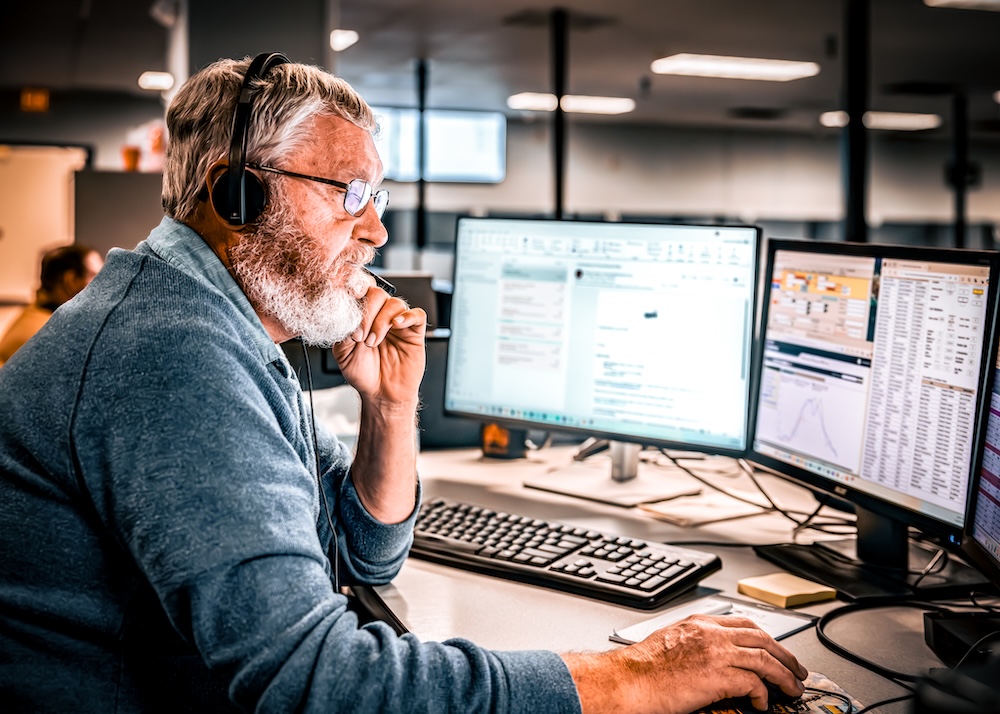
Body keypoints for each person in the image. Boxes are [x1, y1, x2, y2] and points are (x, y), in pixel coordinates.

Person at [0, 54, 807, 713]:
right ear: (234, 192)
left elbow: (360, 557)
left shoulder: (215, 321)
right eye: (349, 194)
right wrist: (628, 677)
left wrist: (389, 407)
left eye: (376, 197)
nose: (377, 228)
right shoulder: (172, 356)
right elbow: (320, 682)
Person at [0, 243, 103, 366]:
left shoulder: (35, 315)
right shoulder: (52, 336)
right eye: (95, 276)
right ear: (71, 280)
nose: (102, 284)